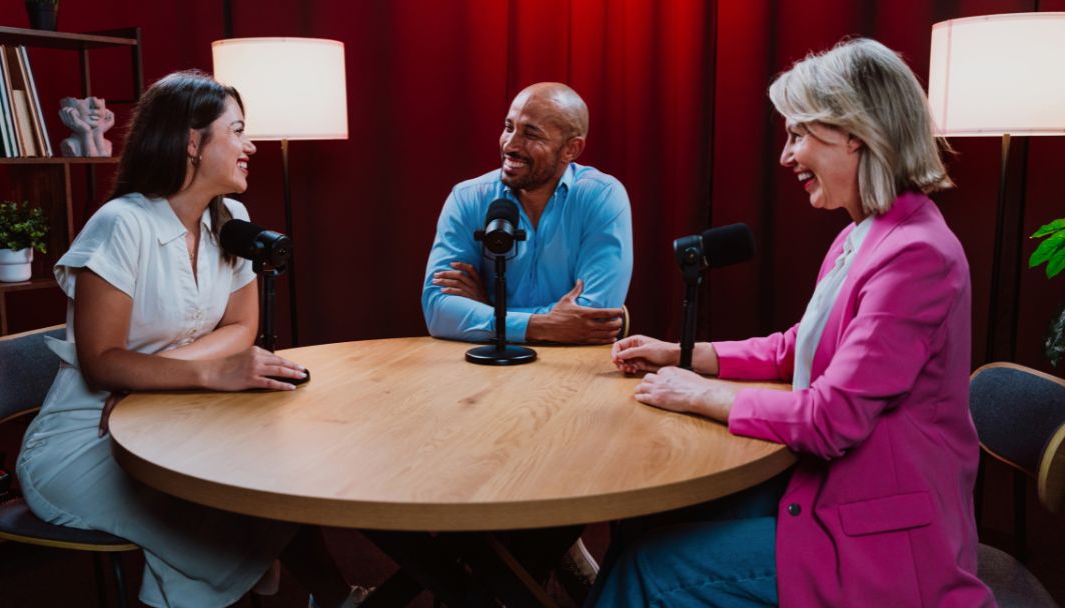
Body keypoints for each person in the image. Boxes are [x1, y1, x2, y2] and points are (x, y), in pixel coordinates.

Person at [596, 38, 996, 606]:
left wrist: (703, 395)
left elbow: (832, 418)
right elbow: (798, 349)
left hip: (882, 530)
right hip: (838, 489)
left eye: (798, 134)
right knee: (647, 521)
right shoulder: (861, 235)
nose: (786, 156)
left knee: (648, 569)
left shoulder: (917, 255)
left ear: (855, 133)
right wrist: (682, 354)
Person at [16, 71, 365, 608]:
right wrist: (205, 372)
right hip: (84, 440)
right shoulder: (121, 224)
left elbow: (240, 328)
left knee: (278, 491)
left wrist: (150, 382)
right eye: (239, 130)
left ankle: (328, 597)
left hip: (176, 418)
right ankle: (329, 596)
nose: (251, 146)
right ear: (192, 142)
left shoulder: (233, 220)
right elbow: (101, 361)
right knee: (215, 535)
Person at [422, 81, 633, 345]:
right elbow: (438, 312)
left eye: (531, 135)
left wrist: (487, 310)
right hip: (485, 371)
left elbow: (593, 319)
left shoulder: (602, 197)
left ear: (571, 149)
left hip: (572, 372)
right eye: (509, 128)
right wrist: (540, 325)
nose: (510, 145)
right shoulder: (466, 198)